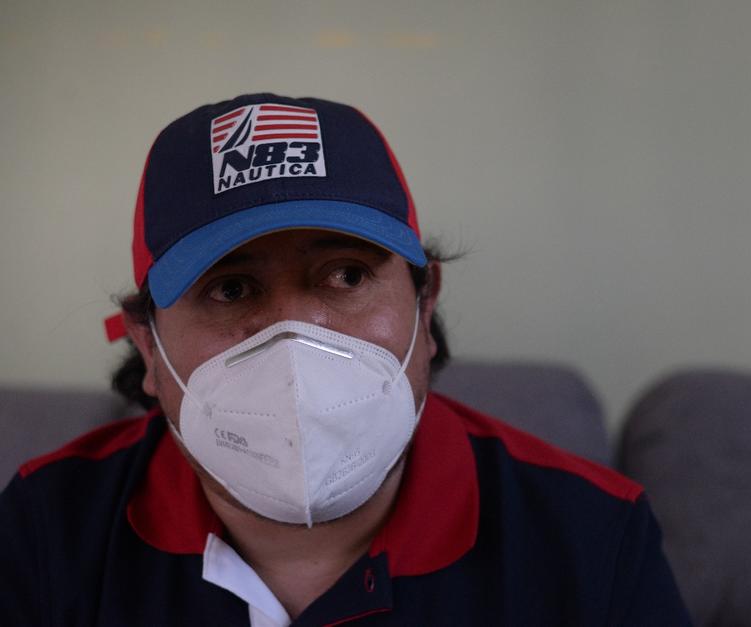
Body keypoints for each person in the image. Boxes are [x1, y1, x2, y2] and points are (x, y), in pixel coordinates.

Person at [0, 93, 691, 626]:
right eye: (231, 288)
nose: (296, 335)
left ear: (427, 307)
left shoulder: (592, 535)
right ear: (147, 345)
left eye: (347, 275)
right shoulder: (44, 531)